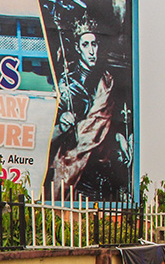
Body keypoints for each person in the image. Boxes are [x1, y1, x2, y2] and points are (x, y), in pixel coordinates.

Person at [46, 18, 131, 199]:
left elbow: (109, 123)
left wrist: (120, 136)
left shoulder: (107, 81)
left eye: (94, 44)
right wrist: (62, 124)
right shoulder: (65, 85)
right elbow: (46, 136)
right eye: (86, 45)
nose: (92, 51)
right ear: (78, 48)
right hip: (72, 164)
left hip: (100, 166)